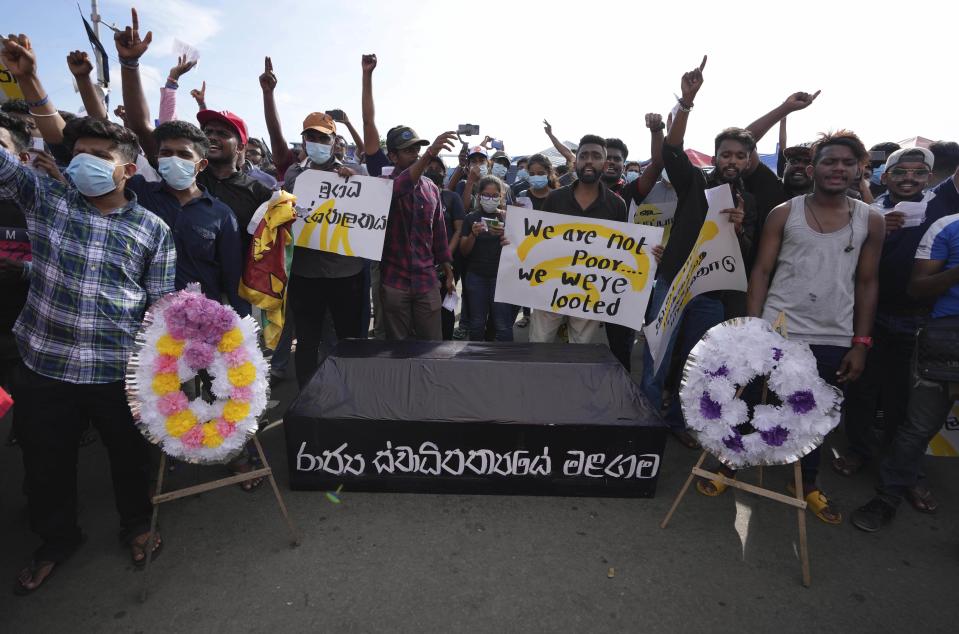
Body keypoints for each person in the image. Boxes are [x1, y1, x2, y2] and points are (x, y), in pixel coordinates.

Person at [2, 31, 176, 592]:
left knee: (131, 461)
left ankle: (136, 525)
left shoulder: (153, 229)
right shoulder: (46, 198)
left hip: (115, 374)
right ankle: (57, 539)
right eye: (77, 158)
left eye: (99, 159)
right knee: (45, 466)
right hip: (43, 367)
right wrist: (27, 78)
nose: (83, 167)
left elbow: (160, 309)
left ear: (127, 171)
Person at [741, 130, 884, 524]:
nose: (837, 169)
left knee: (813, 416)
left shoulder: (871, 220)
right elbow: (762, 272)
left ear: (859, 169)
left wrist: (861, 343)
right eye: (829, 161)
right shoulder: (784, 212)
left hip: (832, 337)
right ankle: (731, 464)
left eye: (846, 163)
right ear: (812, 168)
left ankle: (805, 481)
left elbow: (868, 283)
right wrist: (755, 331)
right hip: (778, 330)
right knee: (755, 402)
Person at [639, 56, 755, 449]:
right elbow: (672, 151)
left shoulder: (751, 201)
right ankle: (647, 421)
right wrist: (685, 104)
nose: (732, 161)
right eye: (726, 154)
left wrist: (740, 228)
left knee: (697, 364)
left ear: (748, 161)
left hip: (712, 295)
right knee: (657, 357)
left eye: (740, 156)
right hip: (672, 283)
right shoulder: (693, 183)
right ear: (716, 156)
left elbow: (749, 252)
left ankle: (677, 421)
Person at [836, 148, 952, 512]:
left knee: (910, 404)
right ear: (884, 177)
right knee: (861, 389)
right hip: (869, 315)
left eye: (919, 173)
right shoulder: (866, 210)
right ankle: (858, 451)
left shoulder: (943, 208)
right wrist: (879, 230)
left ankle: (907, 472)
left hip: (922, 320)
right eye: (900, 172)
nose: (909, 179)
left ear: (930, 178)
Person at [112, 9, 272, 260]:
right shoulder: (182, 172)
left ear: (241, 146)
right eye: (207, 131)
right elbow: (142, 127)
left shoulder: (260, 193)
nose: (212, 136)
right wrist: (130, 65)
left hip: (223, 291)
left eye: (222, 133)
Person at [361, 53, 454, 340]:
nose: (415, 154)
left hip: (427, 281)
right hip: (395, 282)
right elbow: (400, 188)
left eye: (418, 149)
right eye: (408, 150)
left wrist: (448, 270)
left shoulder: (431, 189)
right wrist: (429, 155)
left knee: (431, 346)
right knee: (398, 348)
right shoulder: (384, 183)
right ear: (392, 156)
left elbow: (438, 233)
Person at [528, 134, 627, 344]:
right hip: (549, 289)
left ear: (605, 161)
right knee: (539, 344)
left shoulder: (617, 205)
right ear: (576, 161)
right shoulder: (554, 199)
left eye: (596, 156)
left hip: (589, 293)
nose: (589, 161)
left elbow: (621, 251)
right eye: (584, 156)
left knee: (580, 351)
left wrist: (649, 253)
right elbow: (537, 240)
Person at [459, 175, 513, 341]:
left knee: (503, 325)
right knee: (476, 323)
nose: (490, 199)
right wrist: (473, 235)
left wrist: (507, 236)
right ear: (479, 196)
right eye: (486, 195)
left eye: (495, 195)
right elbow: (463, 251)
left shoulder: (508, 217)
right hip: (476, 276)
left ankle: (505, 361)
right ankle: (475, 360)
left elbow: (520, 249)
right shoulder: (471, 218)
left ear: (501, 196)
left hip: (501, 278)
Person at [426, 155, 466, 340]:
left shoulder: (451, 197)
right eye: (429, 167)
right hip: (422, 262)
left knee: (444, 306)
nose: (433, 170)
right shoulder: (417, 194)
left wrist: (446, 257)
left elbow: (458, 230)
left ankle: (445, 344)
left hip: (448, 261)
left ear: (444, 172)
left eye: (438, 168)